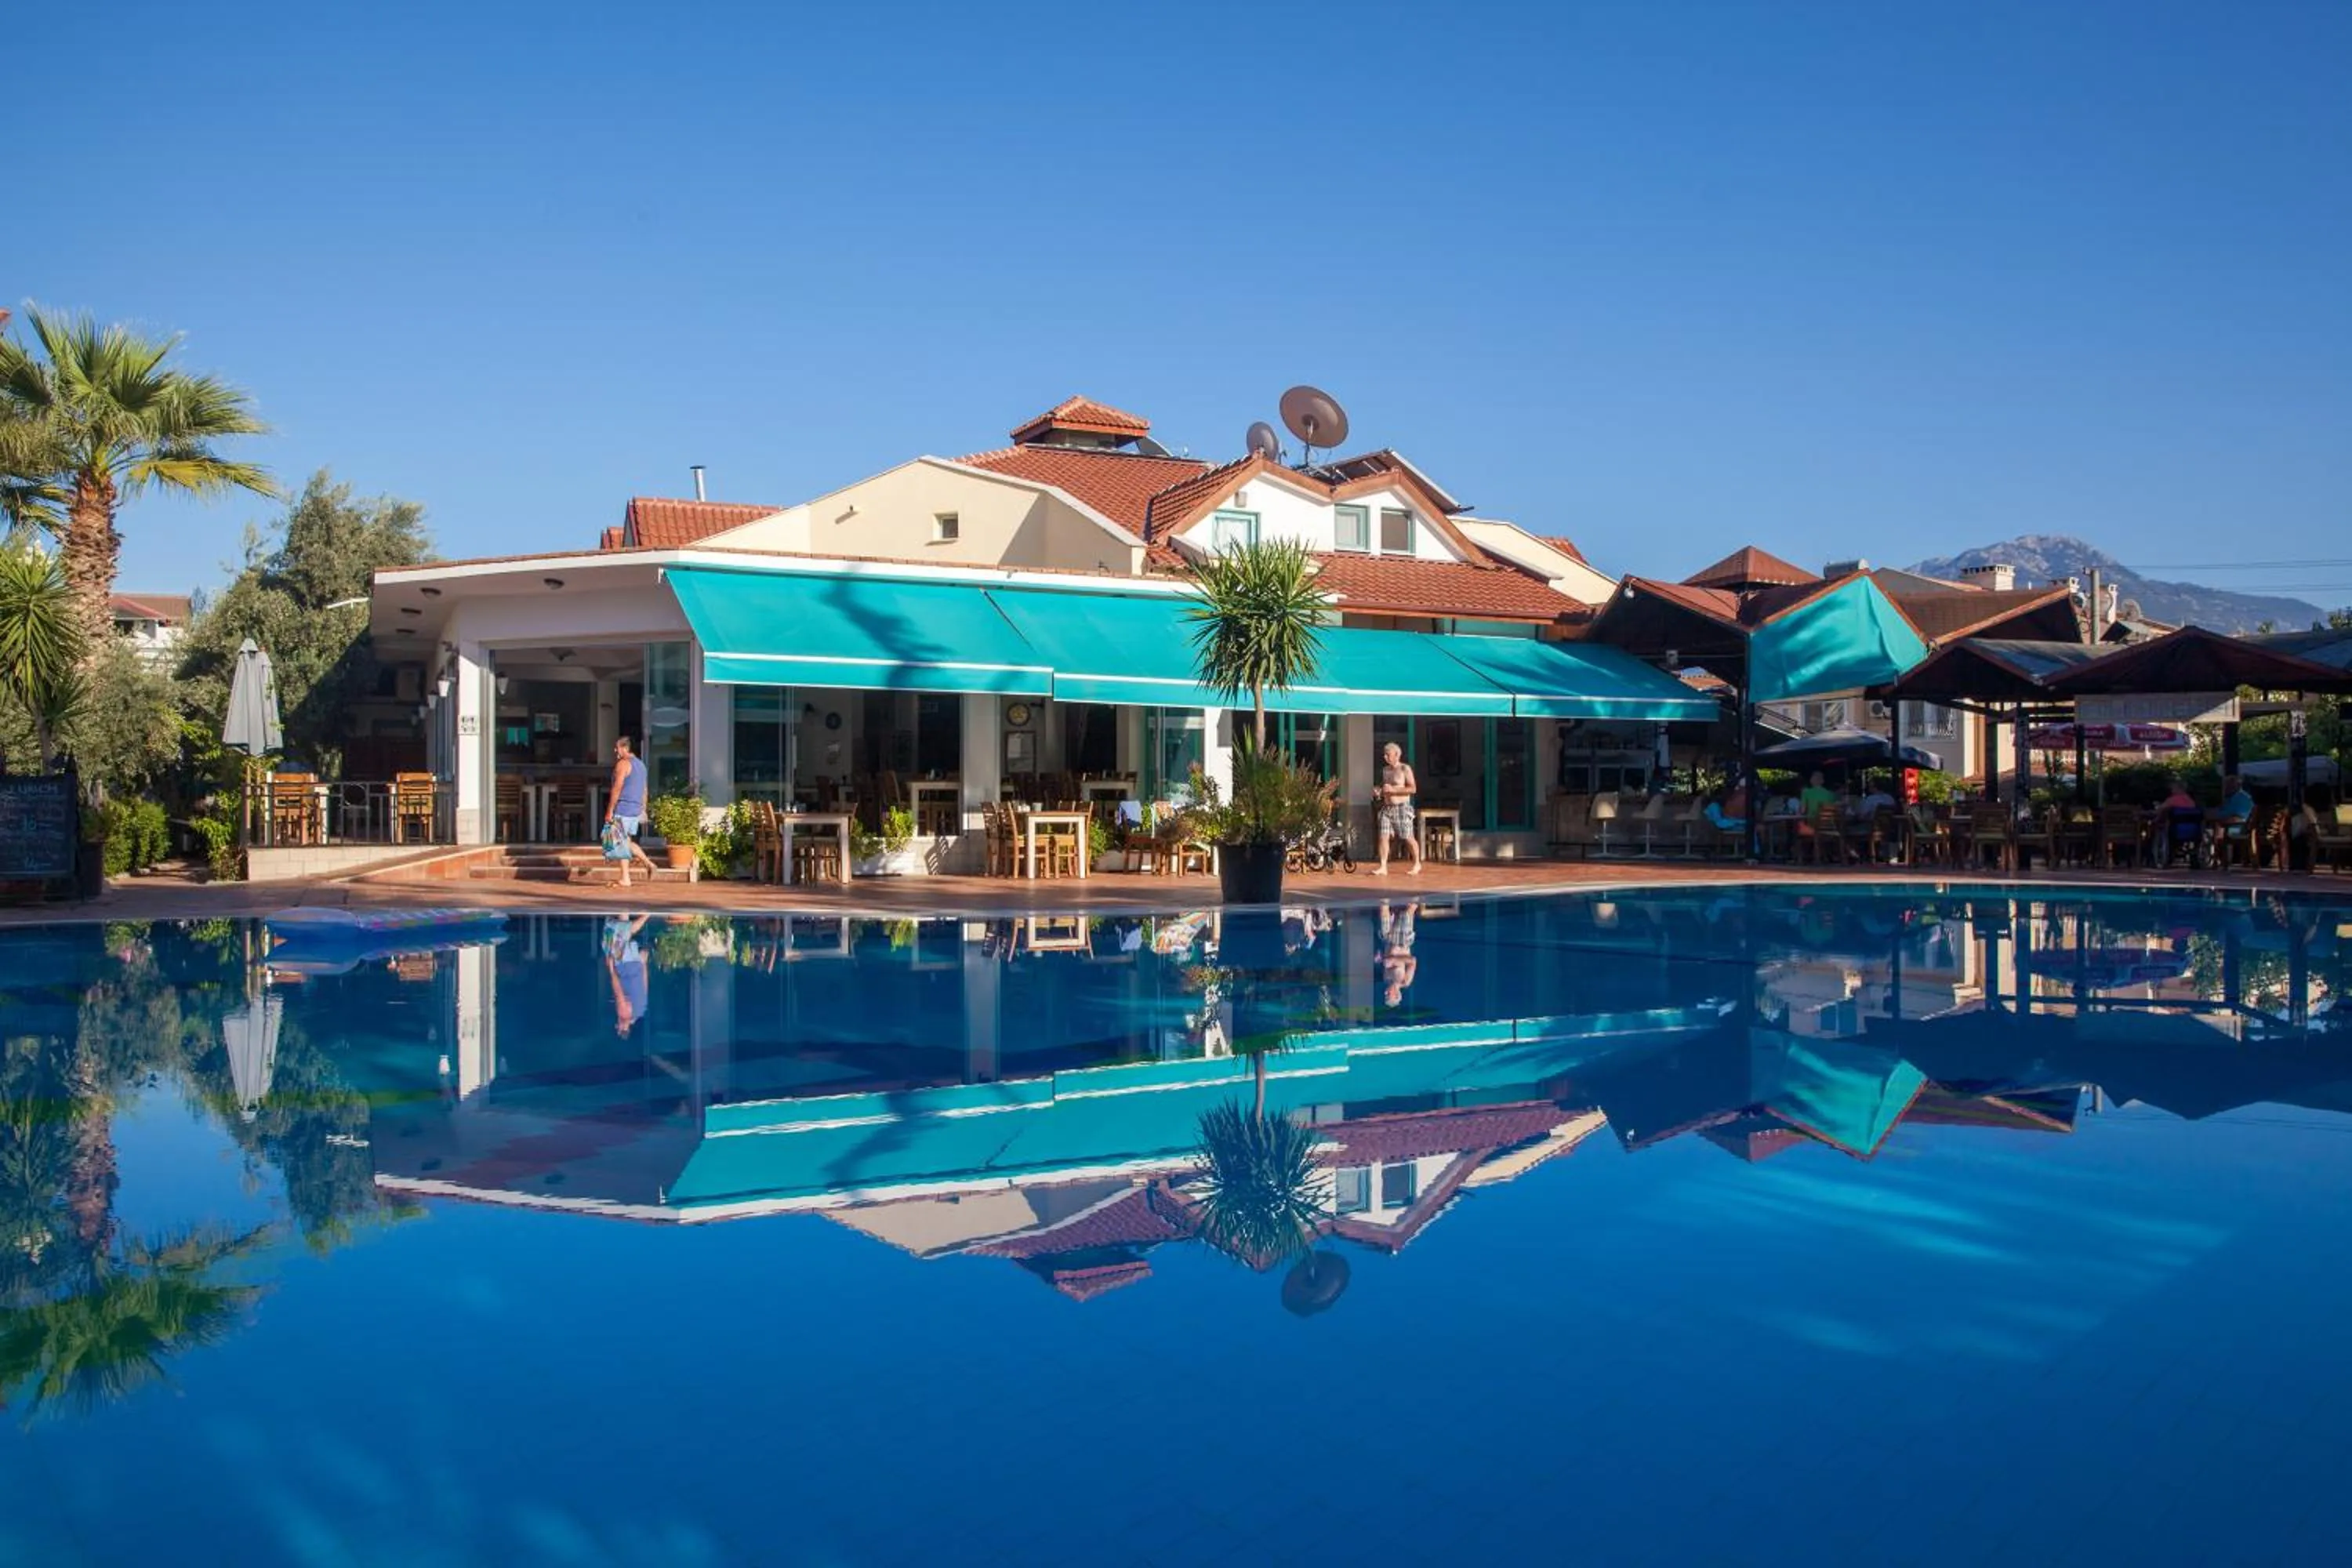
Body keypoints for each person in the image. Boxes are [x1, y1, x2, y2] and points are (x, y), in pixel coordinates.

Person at [604, 735, 656, 889]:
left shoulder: (623, 764)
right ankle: (648, 864)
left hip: (624, 807)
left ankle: (626, 878)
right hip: (635, 809)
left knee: (619, 842)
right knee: (625, 841)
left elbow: (617, 788)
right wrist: (643, 809)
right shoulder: (641, 765)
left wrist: (610, 810)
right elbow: (645, 790)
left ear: (624, 748)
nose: (615, 751)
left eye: (617, 748)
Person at [1373, 741, 1423, 877]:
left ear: (1397, 755)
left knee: (1408, 837)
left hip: (1401, 807)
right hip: (1387, 808)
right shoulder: (1385, 770)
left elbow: (1413, 789)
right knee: (1383, 836)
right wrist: (1379, 792)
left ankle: (1417, 863)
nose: (1385, 757)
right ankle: (1383, 866)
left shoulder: (1404, 769)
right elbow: (1385, 787)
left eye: (1388, 755)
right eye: (1385, 755)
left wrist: (1394, 790)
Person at [604, 913, 650, 1036]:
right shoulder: (623, 1014)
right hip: (624, 965)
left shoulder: (641, 1011)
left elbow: (644, 987)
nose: (617, 1024)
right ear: (624, 1027)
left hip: (635, 964)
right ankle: (647, 915)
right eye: (618, 1027)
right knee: (619, 934)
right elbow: (618, 992)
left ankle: (624, 910)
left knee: (622, 931)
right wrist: (611, 969)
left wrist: (644, 964)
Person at [1378, 899, 1420, 1007]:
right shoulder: (1405, 981)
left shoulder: (1386, 978)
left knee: (1384, 914)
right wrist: (1394, 960)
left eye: (1385, 995)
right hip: (1403, 943)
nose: (1385, 993)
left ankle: (1384, 899)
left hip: (1390, 941)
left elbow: (1387, 959)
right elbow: (1412, 961)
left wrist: (1381, 958)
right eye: (1388, 995)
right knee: (1407, 914)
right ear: (1396, 994)